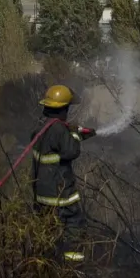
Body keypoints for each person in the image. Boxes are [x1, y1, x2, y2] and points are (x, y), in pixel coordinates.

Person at [32, 84, 94, 263]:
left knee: (48, 232)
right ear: (63, 109)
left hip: (42, 196)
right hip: (61, 195)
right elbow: (71, 152)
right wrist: (74, 135)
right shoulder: (59, 129)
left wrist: (73, 133)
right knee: (74, 226)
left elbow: (56, 146)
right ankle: (72, 269)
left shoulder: (41, 128)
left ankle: (47, 265)